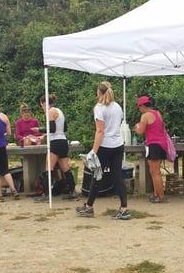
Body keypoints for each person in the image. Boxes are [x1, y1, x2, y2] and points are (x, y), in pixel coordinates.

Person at [75, 81, 130, 219]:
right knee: (117, 176)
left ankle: (89, 207)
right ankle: (124, 208)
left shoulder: (99, 108)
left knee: (97, 176)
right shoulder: (117, 107)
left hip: (104, 146)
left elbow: (100, 131)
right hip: (118, 145)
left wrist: (94, 150)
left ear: (99, 92)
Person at [33, 93, 78, 202]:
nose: (42, 108)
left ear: (44, 103)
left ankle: (46, 194)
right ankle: (73, 191)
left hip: (55, 143)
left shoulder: (50, 111)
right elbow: (62, 128)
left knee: (49, 168)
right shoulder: (59, 111)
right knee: (65, 168)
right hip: (63, 141)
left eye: (42, 105)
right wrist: (45, 135)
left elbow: (52, 129)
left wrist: (39, 130)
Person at [135, 95, 167, 203]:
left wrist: (137, 126)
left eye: (139, 107)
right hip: (161, 144)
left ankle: (160, 196)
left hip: (154, 144)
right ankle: (156, 194)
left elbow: (140, 131)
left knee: (155, 172)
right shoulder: (157, 113)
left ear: (143, 106)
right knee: (153, 171)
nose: (139, 109)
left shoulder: (145, 116)